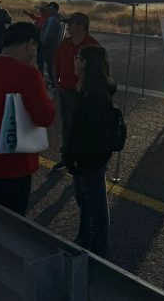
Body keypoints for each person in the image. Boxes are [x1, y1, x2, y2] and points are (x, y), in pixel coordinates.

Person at [0, 23, 56, 215]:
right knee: (10, 231)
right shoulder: (28, 74)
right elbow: (45, 117)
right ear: (30, 44)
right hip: (13, 168)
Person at [63, 45, 116, 255]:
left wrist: (75, 156)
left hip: (88, 161)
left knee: (96, 209)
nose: (74, 61)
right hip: (83, 159)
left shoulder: (93, 96)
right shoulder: (86, 90)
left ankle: (97, 253)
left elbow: (89, 134)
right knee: (85, 204)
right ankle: (84, 239)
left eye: (77, 58)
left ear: (85, 63)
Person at [51, 13, 100, 171]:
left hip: (82, 96)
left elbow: (98, 73)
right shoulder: (65, 43)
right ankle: (67, 157)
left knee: (82, 127)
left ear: (81, 25)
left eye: (70, 23)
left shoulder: (92, 45)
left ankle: (81, 158)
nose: (68, 26)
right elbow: (55, 64)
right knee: (66, 126)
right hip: (65, 92)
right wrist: (56, 83)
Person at [40, 1, 64, 85]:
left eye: (49, 8)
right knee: (54, 66)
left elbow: (48, 36)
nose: (48, 10)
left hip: (49, 47)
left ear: (53, 9)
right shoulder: (60, 18)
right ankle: (55, 83)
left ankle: (54, 84)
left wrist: (42, 44)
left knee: (51, 67)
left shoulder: (52, 19)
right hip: (57, 46)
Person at [24, 2, 49, 75]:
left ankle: (41, 74)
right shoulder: (43, 18)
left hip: (42, 42)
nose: (40, 11)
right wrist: (29, 14)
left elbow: (40, 28)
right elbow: (36, 17)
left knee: (41, 58)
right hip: (41, 41)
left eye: (41, 10)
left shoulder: (45, 19)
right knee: (40, 59)